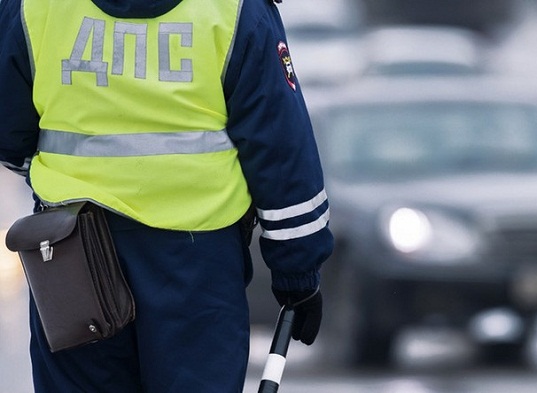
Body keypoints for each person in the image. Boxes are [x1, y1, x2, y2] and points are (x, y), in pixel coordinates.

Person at [0, 0, 334, 391]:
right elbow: (279, 147)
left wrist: (62, 187)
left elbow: (10, 130)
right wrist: (298, 272)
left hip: (70, 256)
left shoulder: (33, 7)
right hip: (197, 262)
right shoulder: (234, 9)